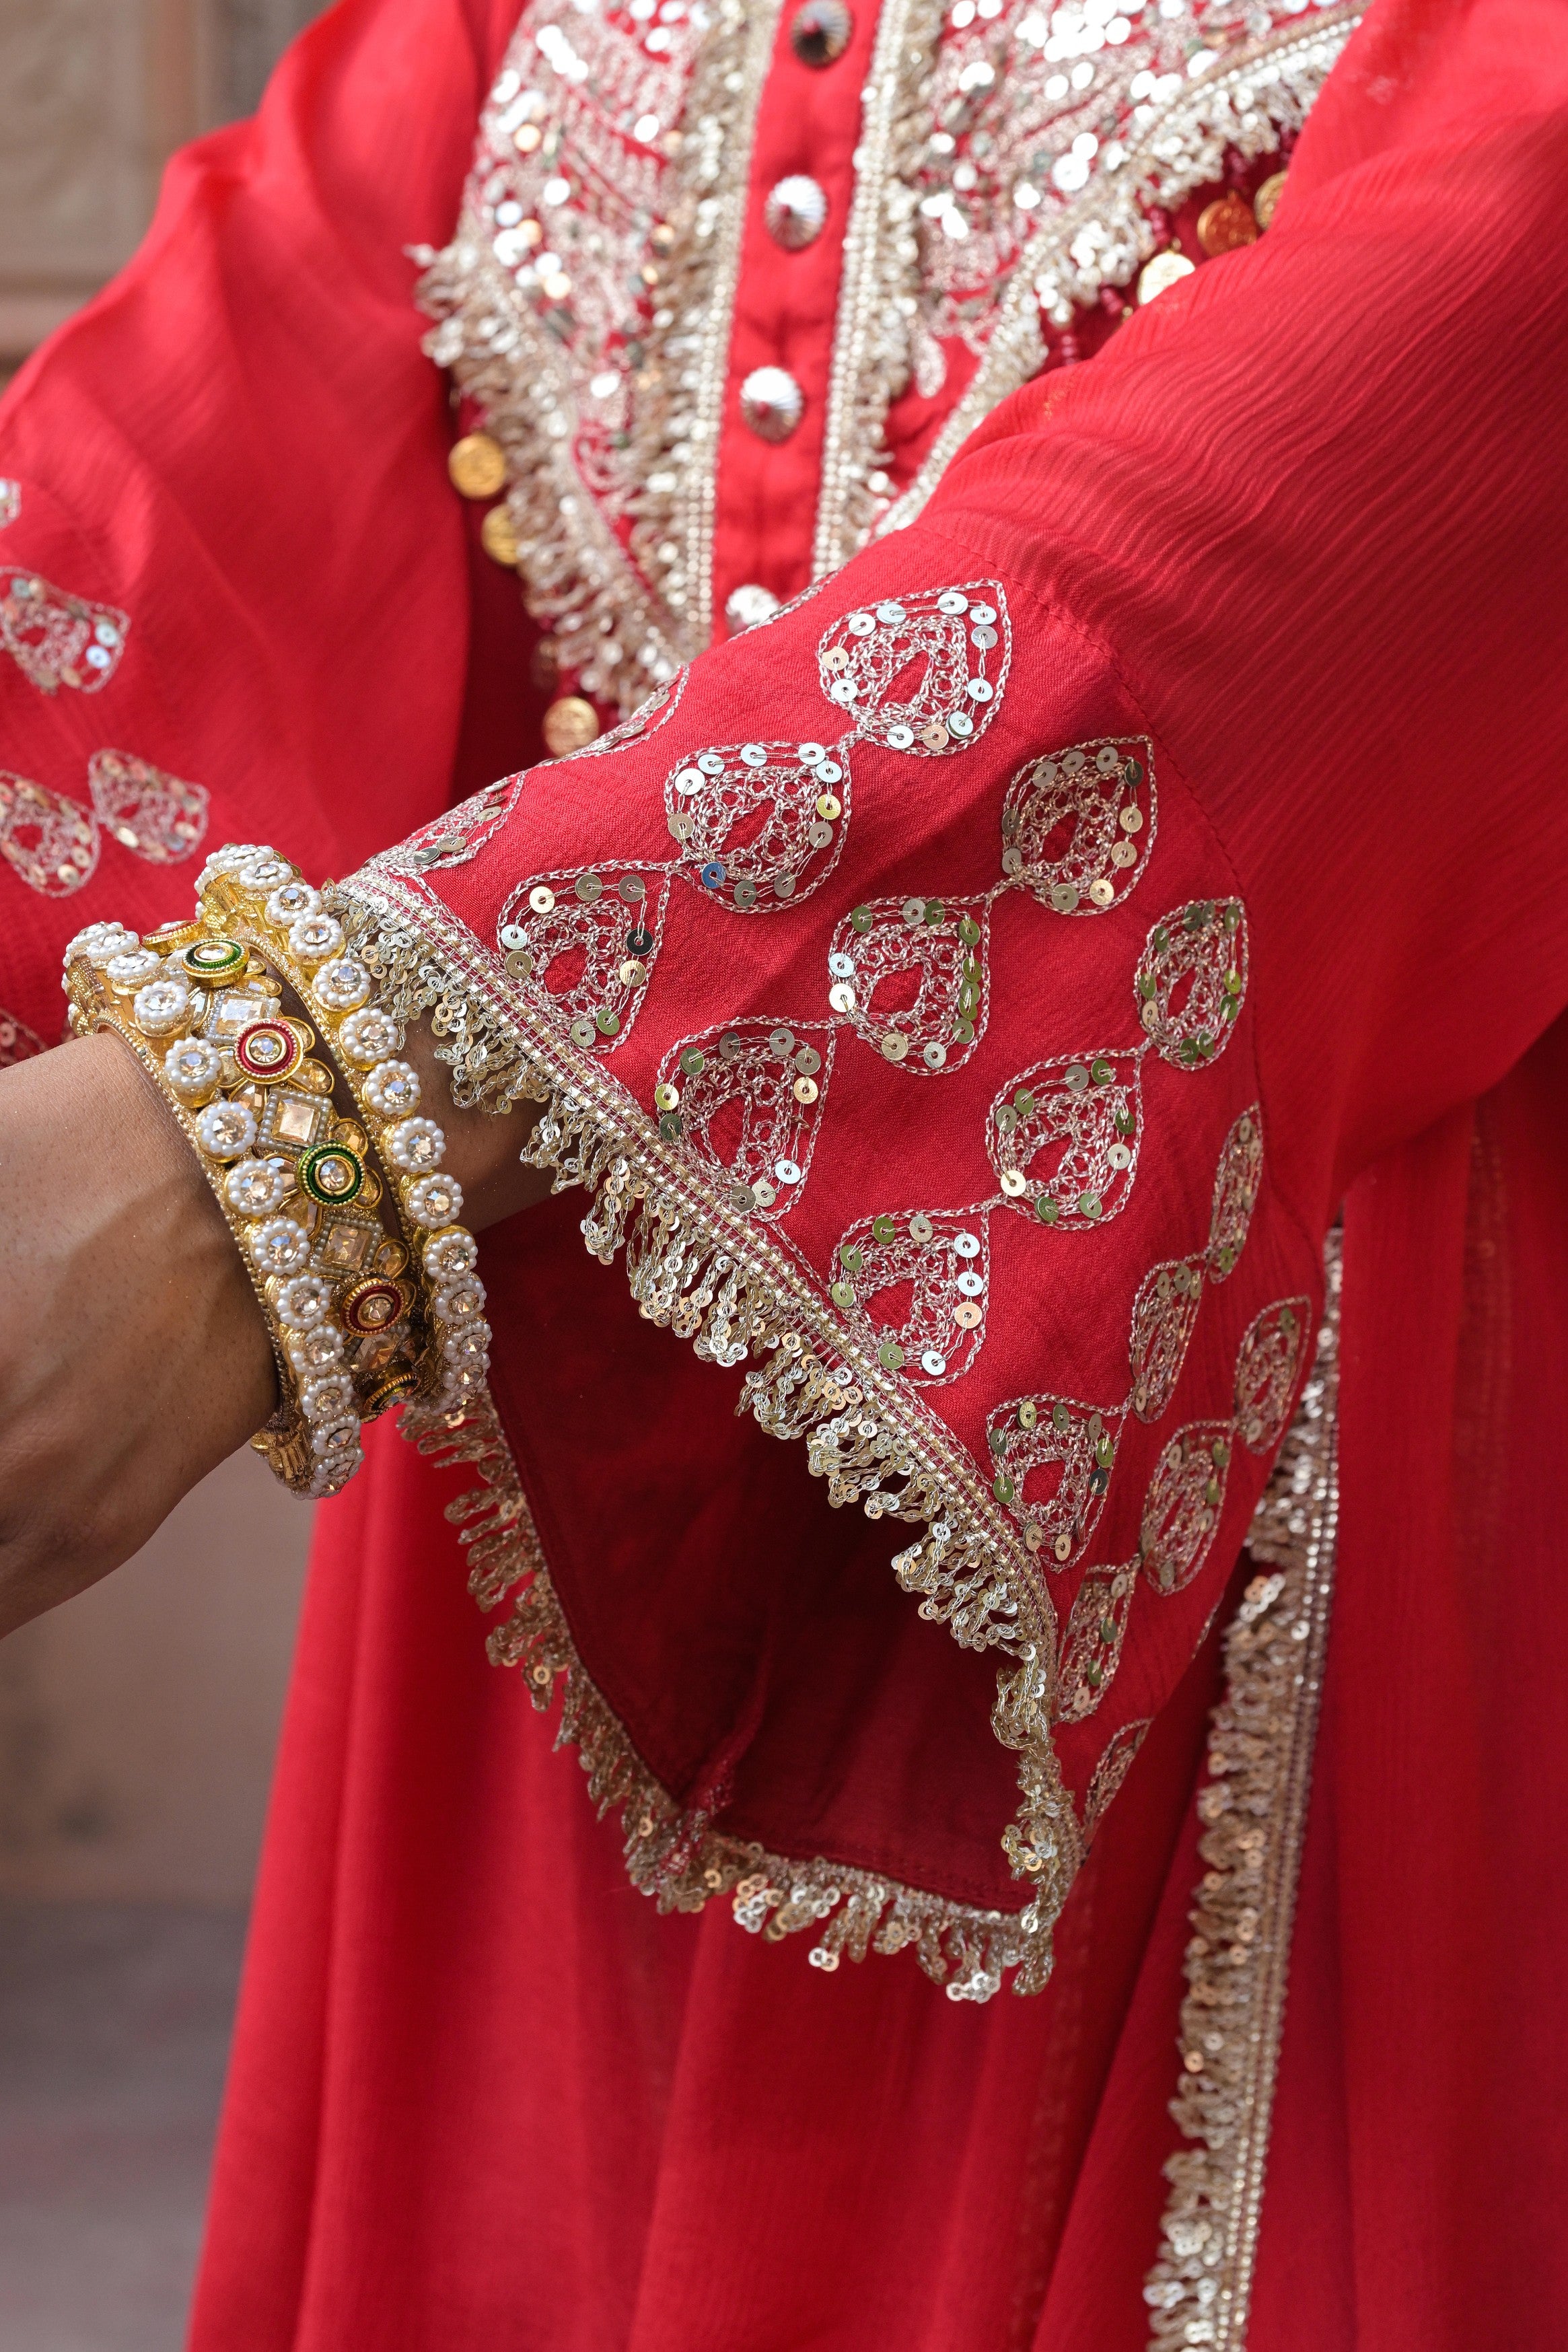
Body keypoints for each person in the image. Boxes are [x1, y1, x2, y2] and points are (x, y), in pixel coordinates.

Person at [1, 0, 1566, 2342]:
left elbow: (1276, 533)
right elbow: (172, 466)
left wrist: (276, 1154)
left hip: (1230, 1474)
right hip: (566, 1518)